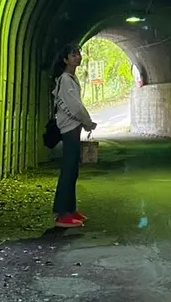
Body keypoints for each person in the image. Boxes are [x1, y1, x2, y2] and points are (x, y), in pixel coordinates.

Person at [50, 44, 97, 228]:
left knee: (73, 170)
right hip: (69, 129)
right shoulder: (66, 80)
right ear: (65, 59)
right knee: (68, 170)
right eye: (73, 54)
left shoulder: (71, 78)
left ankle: (70, 209)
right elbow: (75, 107)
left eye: (79, 53)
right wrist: (88, 122)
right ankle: (62, 214)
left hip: (72, 128)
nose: (78, 57)